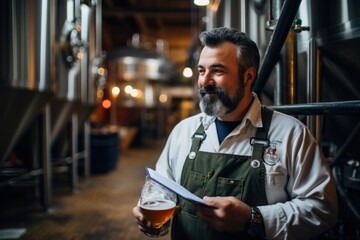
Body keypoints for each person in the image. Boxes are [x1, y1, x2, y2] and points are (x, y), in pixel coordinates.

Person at [133, 27, 338, 240]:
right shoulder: (183, 131)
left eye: (218, 70)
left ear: (248, 76)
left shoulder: (291, 134)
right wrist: (151, 213)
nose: (205, 81)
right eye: (202, 71)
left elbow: (322, 209)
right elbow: (162, 187)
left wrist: (254, 218)